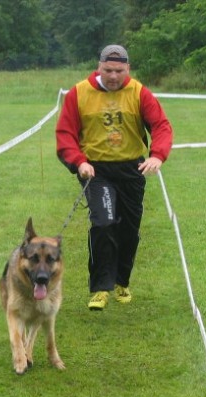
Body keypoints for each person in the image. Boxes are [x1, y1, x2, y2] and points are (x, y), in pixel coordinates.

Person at [56, 44, 173, 311]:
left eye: (119, 71)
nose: (113, 76)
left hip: (132, 168)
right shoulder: (79, 93)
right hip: (96, 171)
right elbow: (65, 134)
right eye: (108, 70)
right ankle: (99, 288)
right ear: (99, 67)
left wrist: (157, 155)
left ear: (127, 69)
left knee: (128, 230)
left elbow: (161, 126)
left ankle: (122, 281)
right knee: (104, 222)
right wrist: (79, 162)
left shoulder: (139, 92)